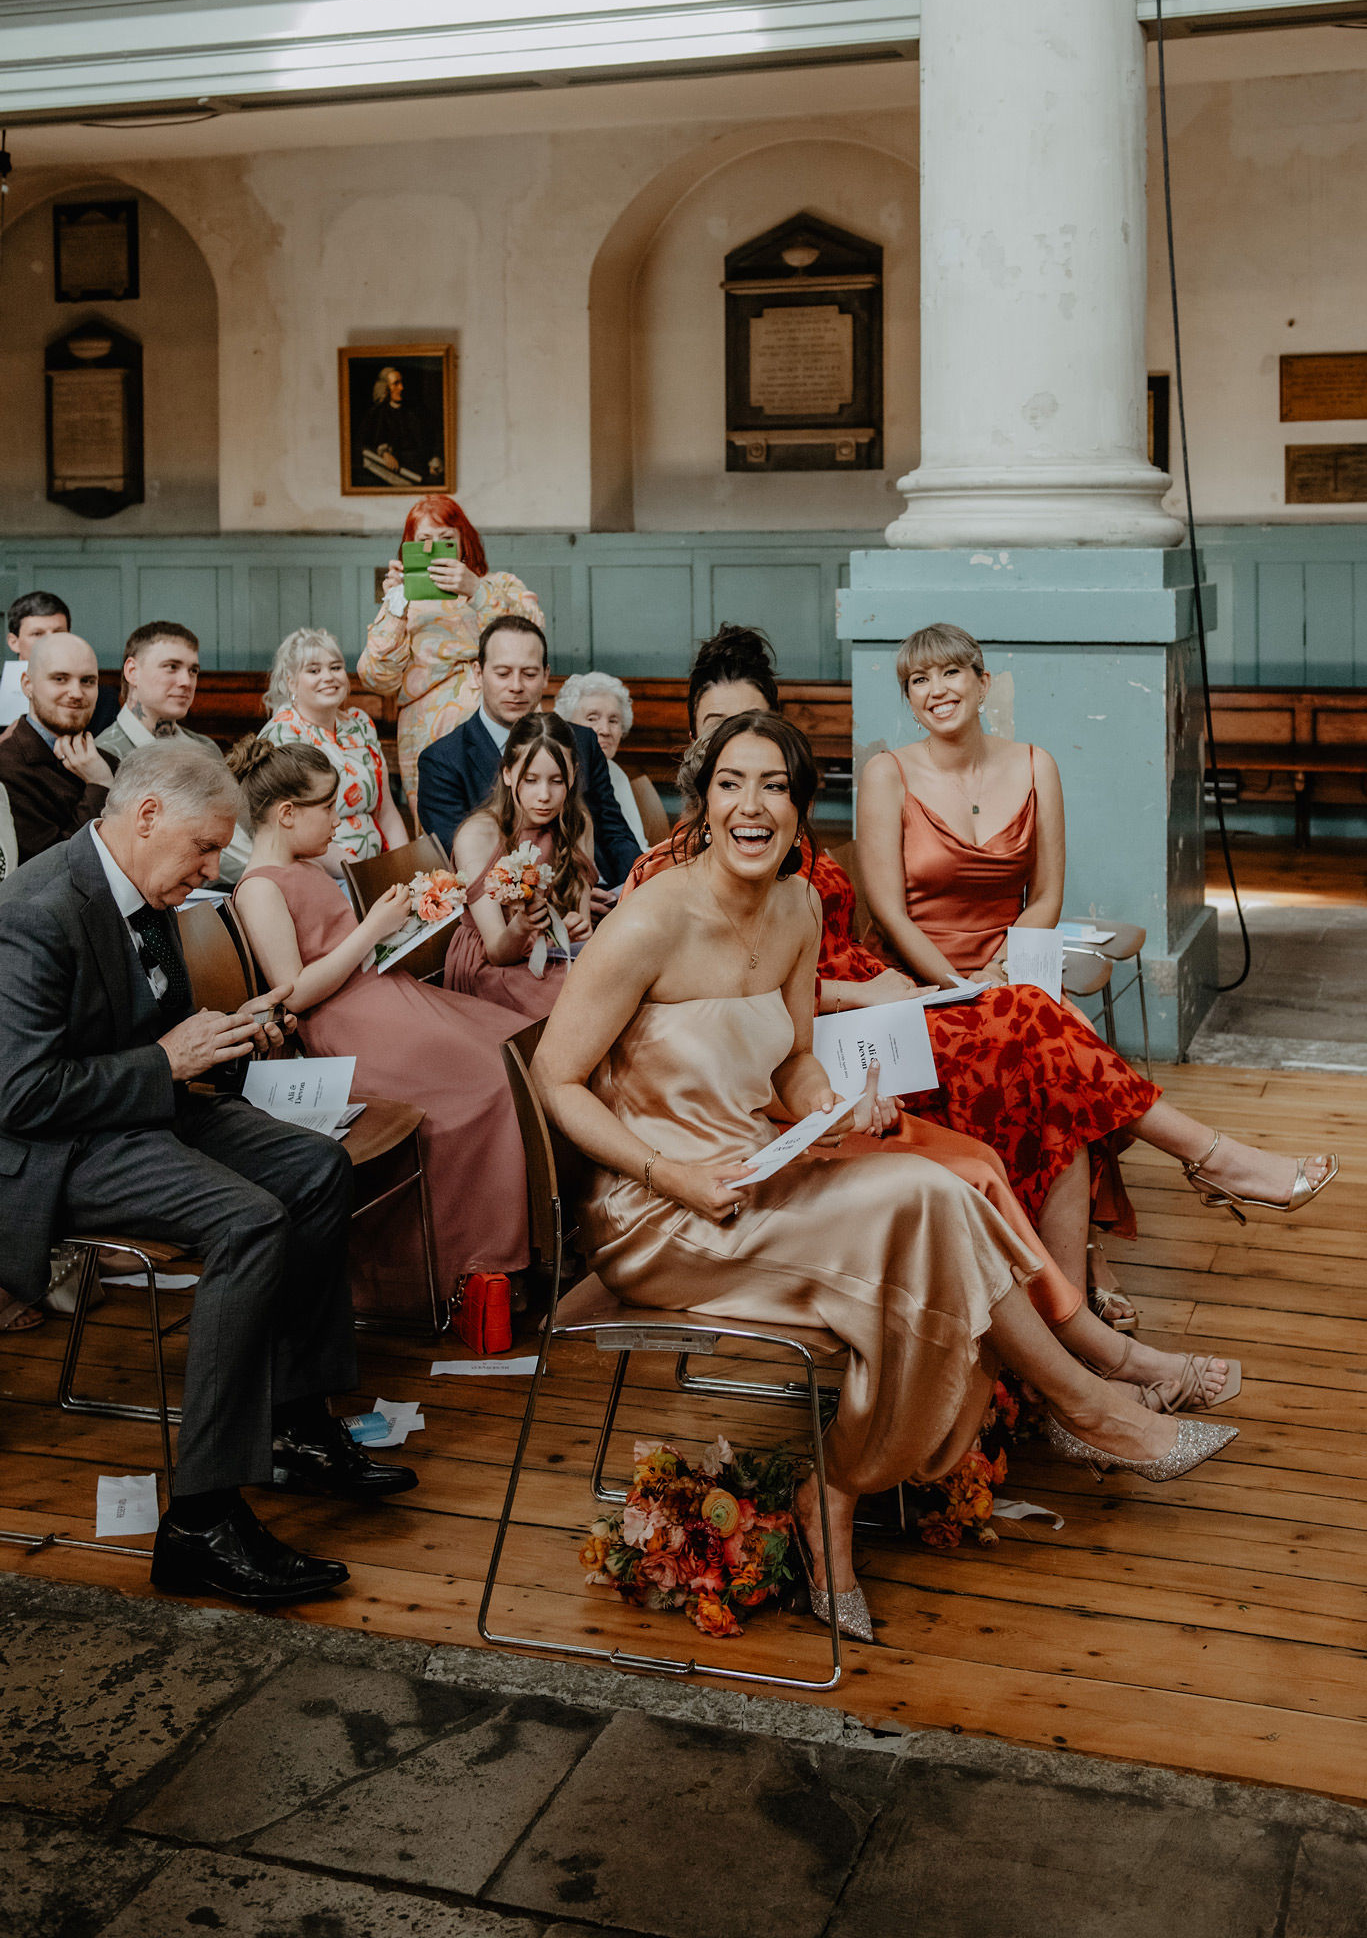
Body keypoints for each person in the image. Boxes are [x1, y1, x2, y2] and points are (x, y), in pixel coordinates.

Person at [534, 711, 1236, 1639]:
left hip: (757, 1174)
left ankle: (858, 1482)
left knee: (938, 1194)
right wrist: (674, 1175)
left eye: (774, 786)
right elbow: (555, 1078)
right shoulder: (651, 920)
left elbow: (788, 1064)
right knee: (929, 1205)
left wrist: (837, 1099)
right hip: (664, 1213)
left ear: (796, 807)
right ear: (701, 803)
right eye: (732, 784)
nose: (753, 805)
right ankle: (1080, 1409)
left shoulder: (794, 907)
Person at [623, 627, 1236, 1416]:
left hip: (863, 1029)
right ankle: (1165, 1220)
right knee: (1028, 1031)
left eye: (761, 751)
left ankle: (1071, 1344)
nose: (745, 782)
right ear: (696, 757)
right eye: (719, 741)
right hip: (800, 1067)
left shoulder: (793, 858)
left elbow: (822, 950)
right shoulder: (664, 875)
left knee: (1042, 1080)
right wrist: (861, 995)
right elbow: (724, 1019)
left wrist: (881, 985)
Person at [0, 741, 417, 1605]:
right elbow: (18, 1093)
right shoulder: (36, 908)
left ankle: (293, 1425)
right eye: (201, 848)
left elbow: (157, 1025)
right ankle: (200, 1521)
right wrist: (163, 1061)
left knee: (313, 1166)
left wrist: (231, 1034)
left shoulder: (145, 885)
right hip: (56, 1144)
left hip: (139, 1105)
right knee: (249, 1220)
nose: (206, 870)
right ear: (145, 815)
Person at [856, 621, 1337, 1318]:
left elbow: (1045, 894)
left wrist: (1000, 968)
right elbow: (890, 912)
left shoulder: (1033, 763)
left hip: (1010, 970)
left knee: (1045, 1037)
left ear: (982, 682)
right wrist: (965, 986)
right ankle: (1202, 1168)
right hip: (922, 986)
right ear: (908, 698)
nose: (935, 690)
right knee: (1055, 1035)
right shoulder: (886, 773)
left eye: (949, 673)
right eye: (917, 681)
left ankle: (1081, 1265)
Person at [229, 738, 530, 1306]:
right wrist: (372, 929)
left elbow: (346, 948)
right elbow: (292, 994)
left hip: (378, 997)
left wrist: (403, 921)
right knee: (487, 1084)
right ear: (287, 814)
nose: (339, 823)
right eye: (327, 809)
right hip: (344, 1026)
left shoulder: (303, 865)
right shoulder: (260, 887)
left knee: (508, 1043)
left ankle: (517, 1239)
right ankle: (470, 1262)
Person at [416, 615, 639, 889]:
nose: (516, 686)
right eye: (502, 673)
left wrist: (636, 890)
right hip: (511, 906)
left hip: (603, 890)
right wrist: (565, 896)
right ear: (477, 673)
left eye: (529, 674)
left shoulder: (582, 742)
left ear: (546, 675)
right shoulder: (442, 761)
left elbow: (614, 831)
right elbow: (468, 864)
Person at [356, 493, 545, 807]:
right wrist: (395, 605)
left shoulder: (502, 585)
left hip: (509, 720)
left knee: (524, 810)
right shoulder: (405, 600)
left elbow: (532, 634)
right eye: (424, 541)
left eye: (446, 539)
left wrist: (476, 590)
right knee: (443, 830)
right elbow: (376, 678)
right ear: (409, 546)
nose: (435, 548)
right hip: (430, 731)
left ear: (464, 541)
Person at [445, 712, 595, 1018]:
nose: (544, 796)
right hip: (493, 967)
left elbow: (581, 923)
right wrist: (524, 926)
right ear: (508, 773)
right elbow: (497, 952)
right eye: (530, 780)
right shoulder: (478, 835)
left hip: (556, 956)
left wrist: (576, 928)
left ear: (573, 775)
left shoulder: (578, 824)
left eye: (557, 781)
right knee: (582, 1010)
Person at [96, 620, 253, 886]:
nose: (186, 682)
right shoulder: (105, 753)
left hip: (253, 881)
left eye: (193, 671)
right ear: (132, 671)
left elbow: (245, 829)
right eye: (172, 667)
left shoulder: (204, 747)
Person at [259, 627, 410, 867]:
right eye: (314, 670)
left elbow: (387, 811)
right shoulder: (283, 733)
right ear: (291, 682)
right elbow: (293, 833)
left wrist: (405, 867)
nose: (328, 677)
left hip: (373, 866)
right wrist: (361, 873)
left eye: (336, 667)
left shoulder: (360, 724)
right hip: (320, 870)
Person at [0, 633, 118, 866]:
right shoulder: (6, 768)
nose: (76, 693)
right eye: (60, 679)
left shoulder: (108, 761)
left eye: (87, 681)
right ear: (27, 685)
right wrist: (100, 786)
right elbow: (50, 868)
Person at [556, 671, 649, 853]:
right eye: (592, 718)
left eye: (613, 720)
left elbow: (636, 843)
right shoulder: (558, 776)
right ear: (568, 724)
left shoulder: (615, 772)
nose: (605, 730)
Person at [5, 590, 119, 733]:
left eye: (59, 633)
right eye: (37, 634)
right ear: (13, 642)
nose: (51, 641)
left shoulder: (103, 701)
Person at [359, 365, 443, 486]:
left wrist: (436, 458)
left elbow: (436, 436)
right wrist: (383, 453)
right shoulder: (376, 414)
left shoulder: (416, 411)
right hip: (396, 474)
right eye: (396, 384)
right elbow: (363, 444)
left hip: (423, 470)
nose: (401, 388)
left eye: (402, 382)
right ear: (386, 388)